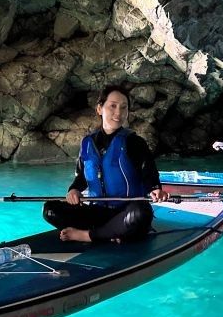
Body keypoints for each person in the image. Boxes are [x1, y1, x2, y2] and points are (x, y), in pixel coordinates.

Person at [43, 85, 169, 243]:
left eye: (124, 108)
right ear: (99, 109)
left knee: (141, 213)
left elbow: (150, 175)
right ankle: (111, 234)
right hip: (97, 212)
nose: (119, 112)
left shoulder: (135, 142)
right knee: (50, 210)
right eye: (113, 106)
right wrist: (74, 190)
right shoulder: (87, 143)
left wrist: (155, 190)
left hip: (126, 212)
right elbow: (81, 178)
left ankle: (87, 235)